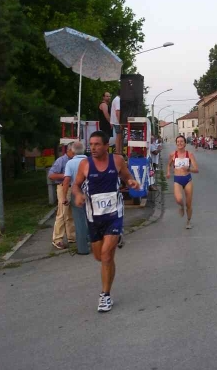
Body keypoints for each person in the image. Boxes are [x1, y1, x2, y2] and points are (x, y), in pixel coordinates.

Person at [73, 131, 139, 312]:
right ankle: (115, 242)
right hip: (94, 217)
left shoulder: (117, 161)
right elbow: (76, 185)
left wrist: (131, 181)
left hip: (114, 215)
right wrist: (78, 195)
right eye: (91, 144)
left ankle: (105, 295)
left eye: (97, 144)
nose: (93, 148)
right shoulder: (85, 164)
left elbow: (126, 176)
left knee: (107, 255)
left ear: (105, 145)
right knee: (100, 257)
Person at [62, 141, 89, 255]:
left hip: (76, 191)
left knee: (79, 221)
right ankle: (96, 243)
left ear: (72, 151)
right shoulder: (90, 161)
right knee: (92, 218)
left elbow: (67, 180)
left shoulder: (70, 163)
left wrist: (64, 197)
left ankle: (83, 249)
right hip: (91, 192)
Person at [166, 135, 199, 229]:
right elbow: (169, 165)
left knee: (189, 204)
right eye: (178, 142)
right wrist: (168, 172)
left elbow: (196, 169)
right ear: (176, 143)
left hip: (187, 179)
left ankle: (188, 221)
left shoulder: (190, 155)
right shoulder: (173, 154)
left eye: (181, 141)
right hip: (177, 179)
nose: (179, 143)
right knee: (179, 199)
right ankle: (181, 206)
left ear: (185, 143)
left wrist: (189, 169)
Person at [49, 143, 76, 249]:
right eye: (74, 151)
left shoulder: (75, 160)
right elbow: (51, 175)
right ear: (68, 151)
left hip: (73, 187)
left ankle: (71, 236)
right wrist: (66, 175)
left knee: (70, 214)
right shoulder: (61, 160)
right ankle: (57, 239)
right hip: (63, 187)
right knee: (62, 213)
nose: (75, 154)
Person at [110, 90, 122, 154]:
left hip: (115, 121)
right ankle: (118, 152)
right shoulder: (118, 100)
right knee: (119, 137)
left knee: (119, 137)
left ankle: (119, 152)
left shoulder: (116, 99)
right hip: (117, 122)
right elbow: (118, 111)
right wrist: (120, 122)